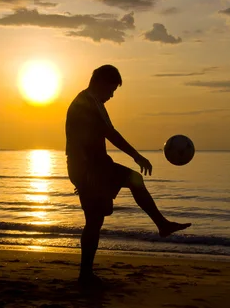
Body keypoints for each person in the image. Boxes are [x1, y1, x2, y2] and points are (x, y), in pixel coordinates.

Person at [65, 64, 191, 285]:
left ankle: (85, 274)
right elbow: (111, 134)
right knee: (98, 216)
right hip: (90, 168)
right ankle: (85, 275)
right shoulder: (87, 103)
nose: (112, 95)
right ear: (101, 82)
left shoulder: (89, 101)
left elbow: (103, 135)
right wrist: (136, 156)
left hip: (94, 166)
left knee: (97, 218)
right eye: (111, 89)